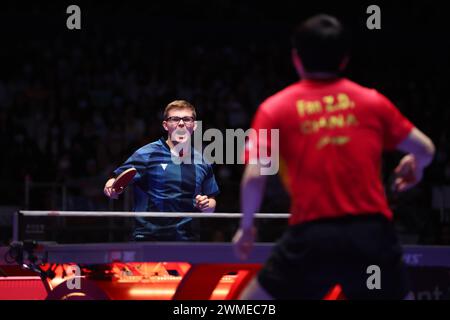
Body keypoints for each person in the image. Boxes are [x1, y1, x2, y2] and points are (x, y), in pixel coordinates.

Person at [233, 14, 435, 299]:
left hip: (312, 238)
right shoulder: (372, 101)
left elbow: (255, 176)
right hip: (372, 237)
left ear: (296, 58)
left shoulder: (275, 108)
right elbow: (425, 149)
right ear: (344, 60)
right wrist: (415, 165)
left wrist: (246, 227)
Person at [104, 100, 219, 241]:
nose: (181, 123)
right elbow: (115, 179)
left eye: (187, 119)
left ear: (194, 125)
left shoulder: (202, 161)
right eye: (175, 119)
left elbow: (211, 202)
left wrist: (207, 206)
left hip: (187, 240)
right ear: (166, 125)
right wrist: (110, 186)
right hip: (147, 239)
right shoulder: (147, 153)